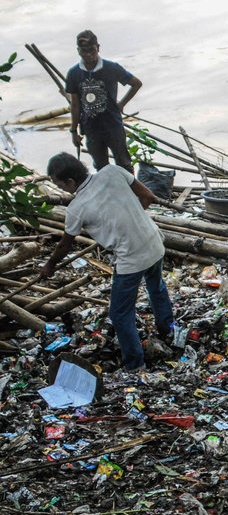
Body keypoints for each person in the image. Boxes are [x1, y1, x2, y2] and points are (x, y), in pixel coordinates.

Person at [41, 153, 173, 371]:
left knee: (120, 313)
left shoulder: (76, 208)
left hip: (132, 258)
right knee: (156, 286)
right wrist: (132, 219)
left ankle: (134, 364)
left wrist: (50, 265)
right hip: (155, 243)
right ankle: (168, 330)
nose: (61, 189)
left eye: (59, 184)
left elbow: (64, 245)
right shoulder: (113, 171)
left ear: (70, 182)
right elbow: (147, 196)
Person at [65, 30, 143, 172]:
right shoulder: (74, 73)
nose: (88, 54)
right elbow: (75, 105)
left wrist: (121, 104)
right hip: (91, 127)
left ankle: (130, 193)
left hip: (113, 125)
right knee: (101, 167)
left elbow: (136, 84)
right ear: (78, 51)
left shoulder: (111, 68)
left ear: (98, 47)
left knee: (124, 163)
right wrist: (73, 130)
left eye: (91, 50)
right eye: (84, 51)